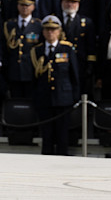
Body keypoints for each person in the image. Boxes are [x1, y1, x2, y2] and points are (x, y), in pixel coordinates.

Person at [32, 15, 79, 156]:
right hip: (44, 98)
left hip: (63, 98)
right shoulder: (37, 51)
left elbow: (74, 75)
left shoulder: (67, 49)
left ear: (59, 31)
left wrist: (74, 97)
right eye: (47, 29)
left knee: (62, 135)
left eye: (53, 29)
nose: (50, 32)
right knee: (46, 135)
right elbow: (34, 77)